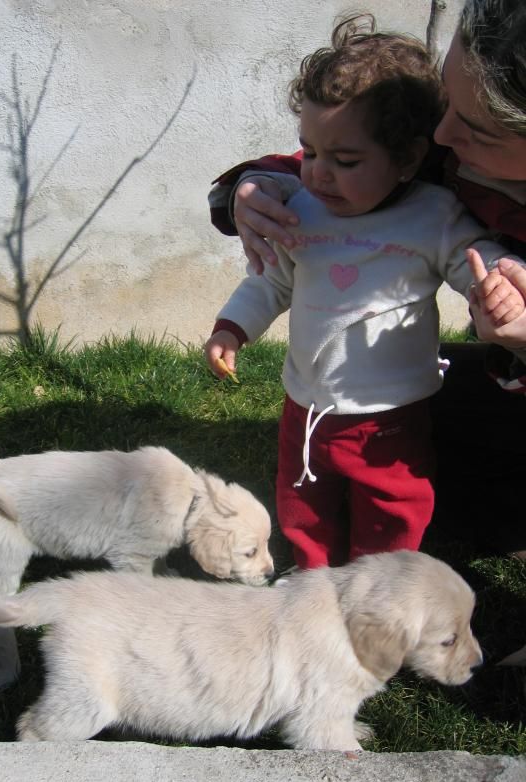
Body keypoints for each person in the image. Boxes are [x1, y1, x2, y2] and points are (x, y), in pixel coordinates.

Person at [208, 0, 526, 559]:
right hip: (307, 405)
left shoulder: (432, 215)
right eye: (310, 150)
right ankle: (315, 580)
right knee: (303, 503)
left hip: (391, 413)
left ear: (407, 159)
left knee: (394, 507)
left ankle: (384, 591)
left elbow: (474, 258)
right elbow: (273, 278)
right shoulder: (304, 207)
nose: (317, 171)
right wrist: (233, 324)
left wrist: (503, 284)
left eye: (345, 161)